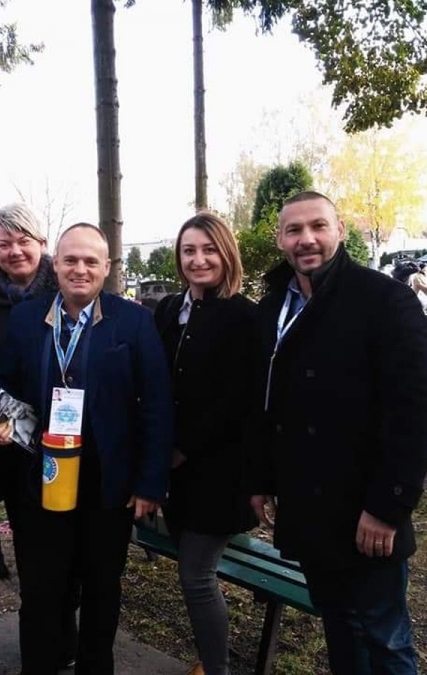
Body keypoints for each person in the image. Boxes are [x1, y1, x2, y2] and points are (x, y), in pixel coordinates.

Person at [250, 192, 427, 675]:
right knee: (339, 628)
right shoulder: (273, 307)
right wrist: (262, 479)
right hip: (308, 509)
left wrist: (387, 507)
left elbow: (416, 410)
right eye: (294, 230)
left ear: (339, 231)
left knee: (384, 637)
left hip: (364, 508)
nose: (306, 239)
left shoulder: (384, 300)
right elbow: (268, 404)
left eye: (318, 226)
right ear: (280, 240)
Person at [0, 222, 173, 675]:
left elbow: (156, 404)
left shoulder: (134, 321)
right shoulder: (27, 318)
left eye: (91, 261)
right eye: (70, 259)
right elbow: (4, 384)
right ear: (55, 263)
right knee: (40, 588)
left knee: (101, 589)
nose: (80, 269)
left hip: (108, 483)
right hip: (41, 475)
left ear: (107, 267)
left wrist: (150, 484)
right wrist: (3, 419)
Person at [0, 202, 79, 668]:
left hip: (62, 444)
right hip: (3, 446)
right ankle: (43, 648)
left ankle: (63, 640)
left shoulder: (67, 292)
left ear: (42, 243)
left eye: (23, 240)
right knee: (32, 554)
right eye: (4, 243)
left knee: (65, 549)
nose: (14, 251)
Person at [153, 212, 258, 675]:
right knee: (190, 570)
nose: (198, 260)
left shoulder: (244, 316)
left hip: (220, 474)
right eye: (189, 251)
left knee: (196, 575)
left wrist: (183, 447)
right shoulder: (169, 310)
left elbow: (237, 401)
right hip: (174, 473)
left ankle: (217, 669)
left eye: (208, 250)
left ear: (226, 253)